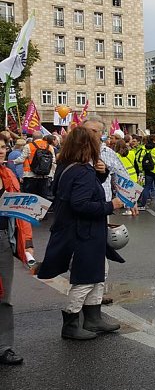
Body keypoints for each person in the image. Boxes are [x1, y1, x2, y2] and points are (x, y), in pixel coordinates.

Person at [37, 127, 125, 340]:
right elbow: (81, 203)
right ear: (89, 146)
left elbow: (80, 192)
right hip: (84, 233)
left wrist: (101, 174)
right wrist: (110, 205)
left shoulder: (67, 167)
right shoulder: (82, 171)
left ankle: (93, 318)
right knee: (86, 278)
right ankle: (72, 323)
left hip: (77, 231)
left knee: (97, 274)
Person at [0, 141, 35, 364]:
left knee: (4, 297)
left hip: (2, 239)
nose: (0, 151)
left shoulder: (8, 174)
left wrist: (27, 243)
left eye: (3, 147)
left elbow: (21, 213)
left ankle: (4, 347)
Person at [13, 131, 56, 199]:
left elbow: (21, 159)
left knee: (29, 198)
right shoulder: (49, 147)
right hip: (45, 176)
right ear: (42, 137)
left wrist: (13, 161)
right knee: (42, 198)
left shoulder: (28, 146)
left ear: (33, 138)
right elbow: (53, 161)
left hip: (30, 175)